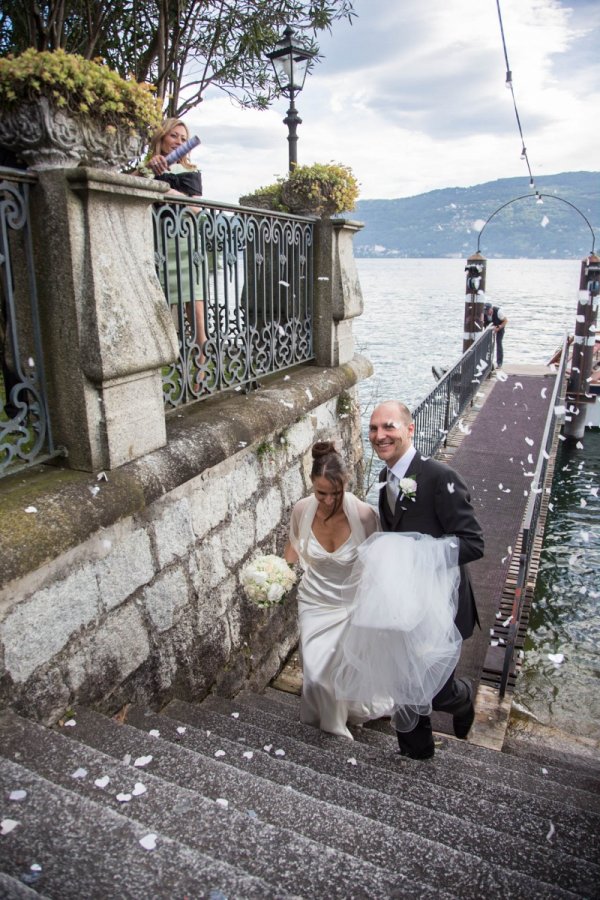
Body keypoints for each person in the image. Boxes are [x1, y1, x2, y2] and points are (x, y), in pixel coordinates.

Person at [369, 400, 484, 760]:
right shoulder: (385, 479)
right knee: (404, 683)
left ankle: (463, 700)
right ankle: (415, 756)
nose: (379, 435)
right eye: (373, 429)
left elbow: (473, 542)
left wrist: (417, 554)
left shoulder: (439, 478)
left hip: (441, 606)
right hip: (404, 605)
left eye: (388, 426)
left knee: (435, 692)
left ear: (409, 429)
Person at [284, 441, 392, 739]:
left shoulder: (366, 516)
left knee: (342, 669)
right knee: (317, 672)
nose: (329, 501)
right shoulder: (301, 511)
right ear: (311, 485)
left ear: (346, 484)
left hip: (351, 602)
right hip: (315, 600)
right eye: (321, 493)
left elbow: (378, 563)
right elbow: (293, 545)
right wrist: (277, 575)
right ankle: (330, 722)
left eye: (336, 493)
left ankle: (338, 720)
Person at [141, 118, 207, 381]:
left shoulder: (190, 171)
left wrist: (164, 187)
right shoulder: (146, 170)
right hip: (157, 244)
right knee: (157, 307)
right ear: (161, 138)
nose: (179, 141)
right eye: (174, 136)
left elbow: (195, 207)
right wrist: (149, 172)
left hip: (185, 243)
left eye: (183, 138)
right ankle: (157, 373)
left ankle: (200, 373)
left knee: (196, 311)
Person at [483, 301, 508, 367]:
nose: (487, 313)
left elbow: (505, 321)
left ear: (491, 309)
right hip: (489, 328)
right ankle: (487, 362)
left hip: (499, 326)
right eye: (485, 311)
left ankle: (499, 362)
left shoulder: (499, 312)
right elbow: (483, 323)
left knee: (499, 342)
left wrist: (498, 328)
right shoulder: (484, 314)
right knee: (487, 344)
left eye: (488, 311)